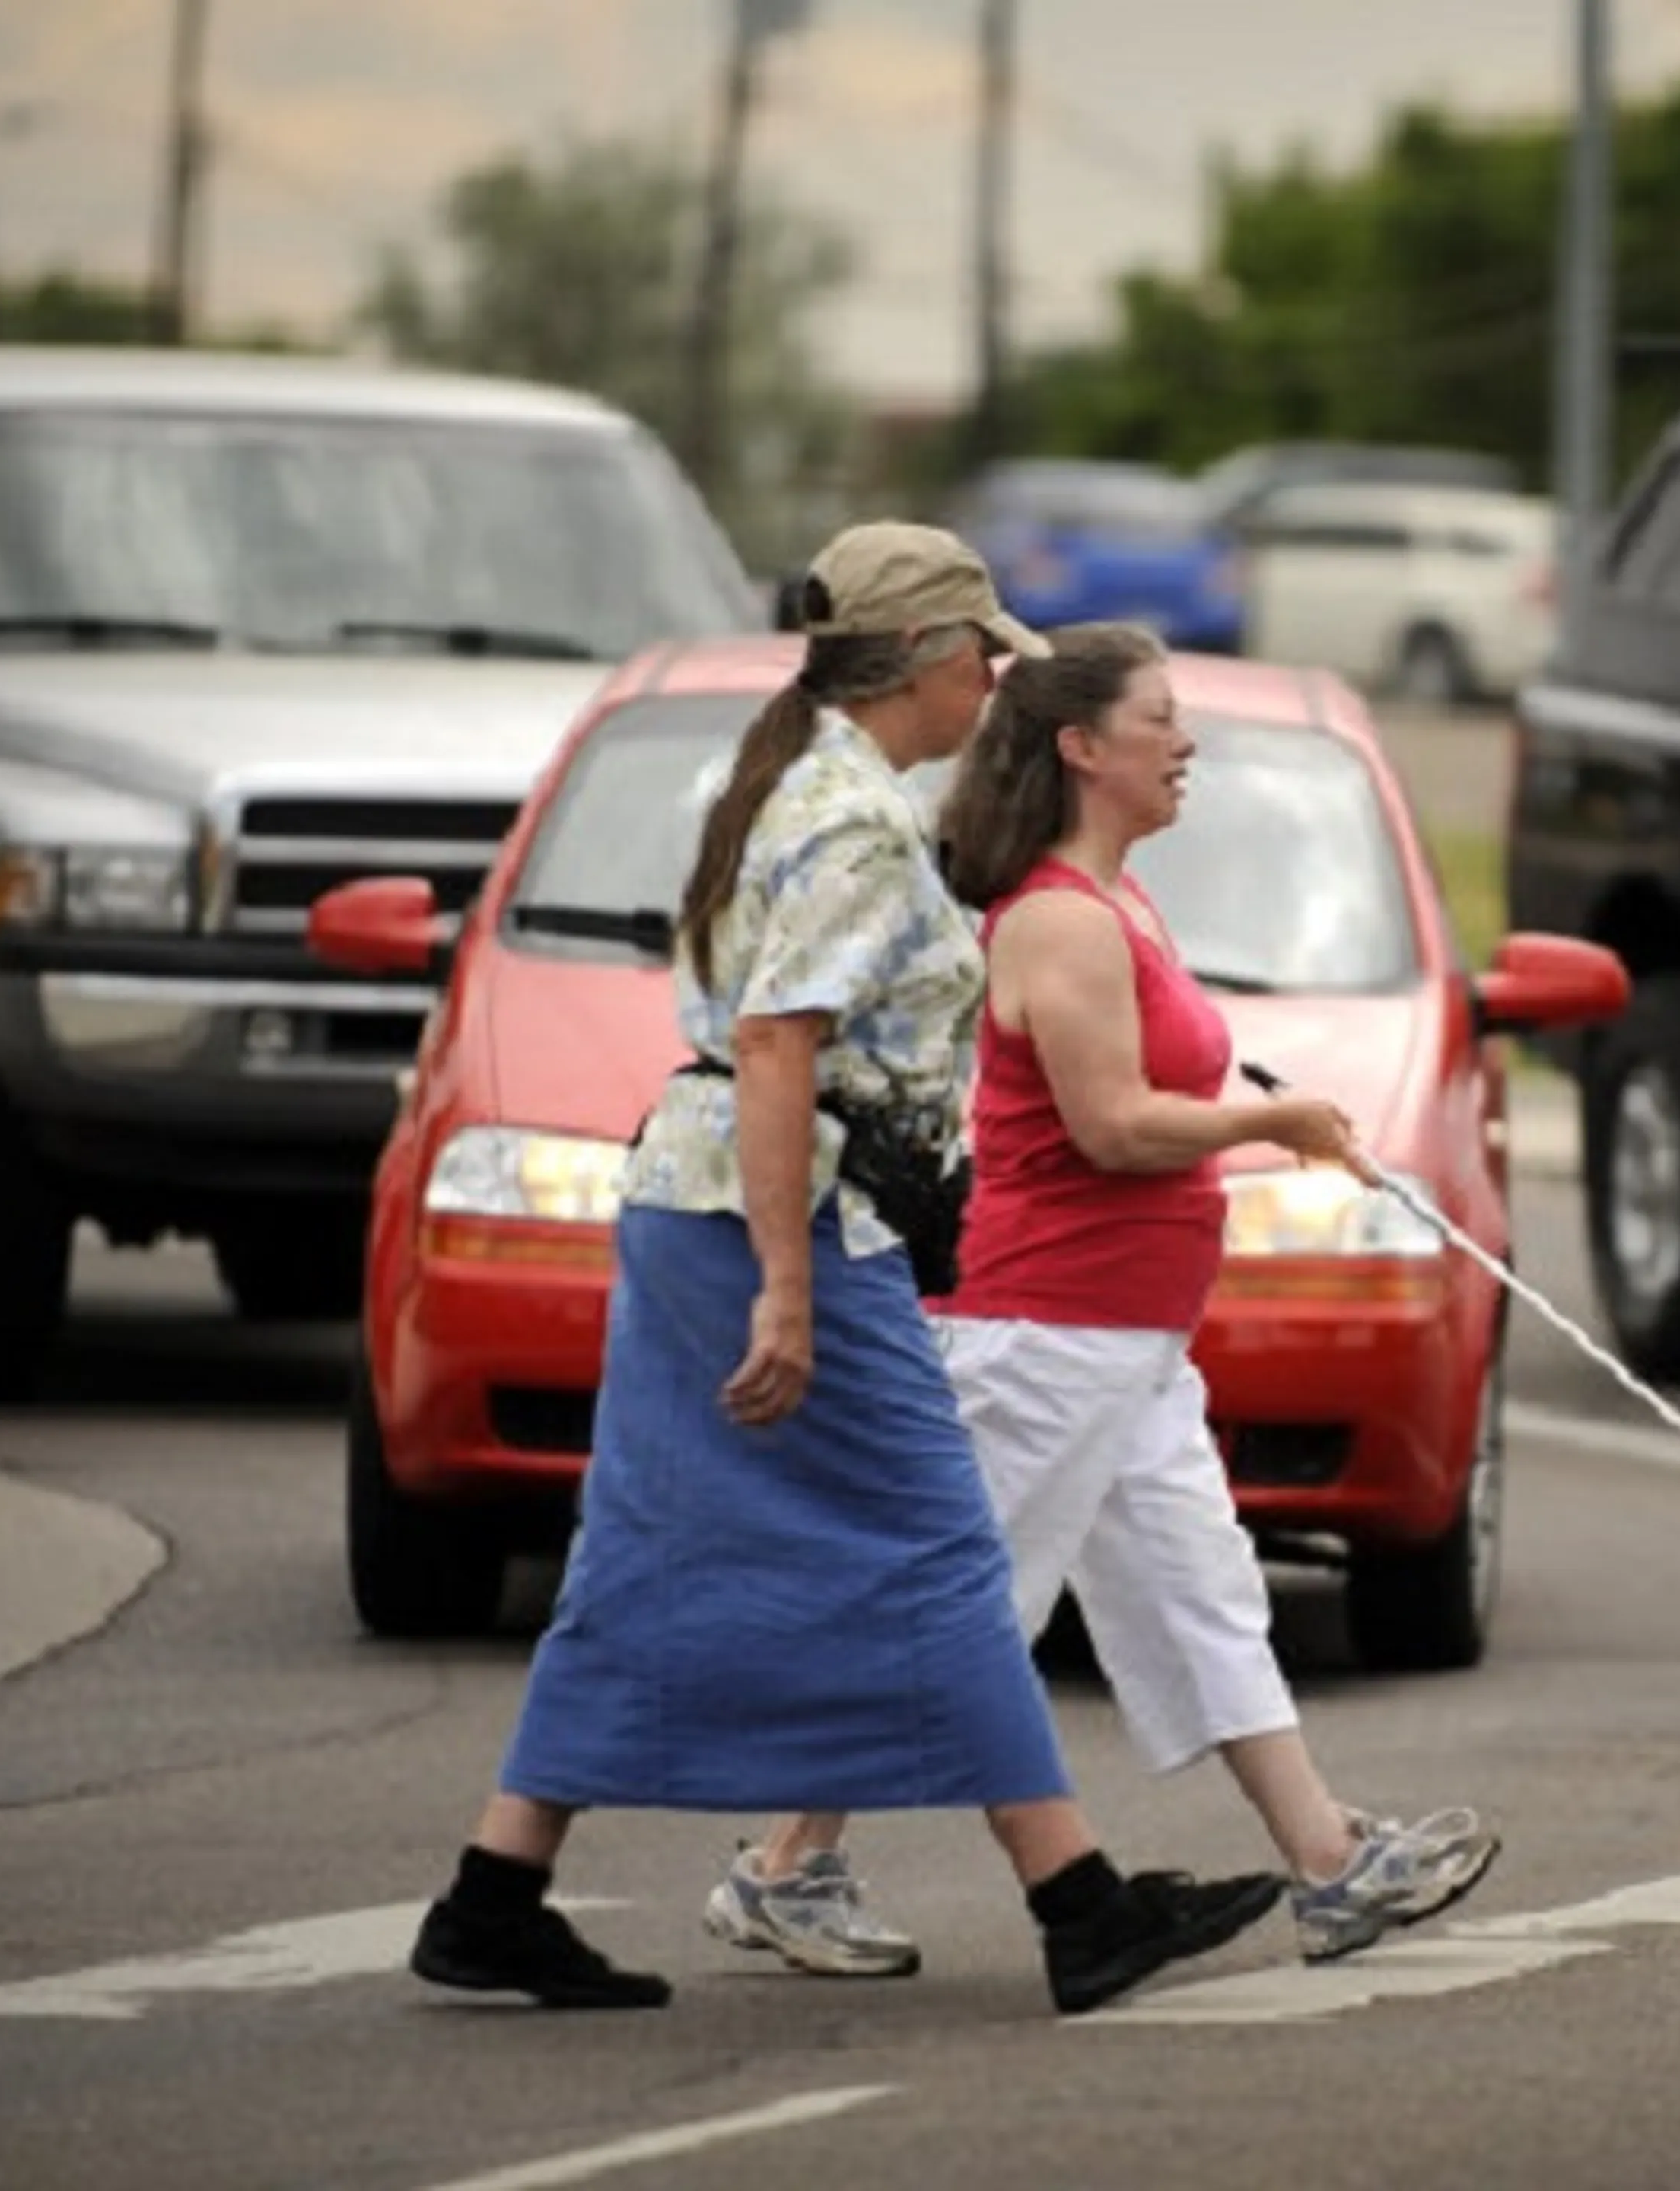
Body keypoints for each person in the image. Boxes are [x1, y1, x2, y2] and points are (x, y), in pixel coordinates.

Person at [408, 530, 1284, 2018]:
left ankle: (495, 1893)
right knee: (942, 1550)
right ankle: (1078, 1904)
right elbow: (775, 1044)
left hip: (719, 1209)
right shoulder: (846, 819)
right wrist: (788, 1290)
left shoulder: (795, 779)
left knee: (639, 1551)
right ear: (935, 660)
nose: (998, 678)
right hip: (783, 1221)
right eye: (985, 653)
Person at [701, 622, 1500, 1984]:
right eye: (1162, 719)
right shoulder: (1061, 919)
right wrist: (1275, 1121)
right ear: (1083, 748)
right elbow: (1114, 1127)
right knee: (956, 1608)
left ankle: (1328, 1867)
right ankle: (785, 1866)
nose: (1186, 744)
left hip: (1123, 1341)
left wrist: (1265, 1115)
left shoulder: (1119, 903)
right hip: (1040, 1331)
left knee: (1202, 1596)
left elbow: (1149, 1101)